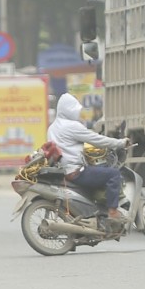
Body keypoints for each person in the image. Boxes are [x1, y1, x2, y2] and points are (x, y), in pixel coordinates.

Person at [47, 93, 131, 222]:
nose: (78, 113)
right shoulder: (72, 126)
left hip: (62, 171)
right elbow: (96, 139)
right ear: (69, 110)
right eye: (75, 110)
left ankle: (97, 212)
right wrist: (120, 143)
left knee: (98, 171)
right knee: (113, 174)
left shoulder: (52, 128)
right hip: (75, 171)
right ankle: (113, 212)